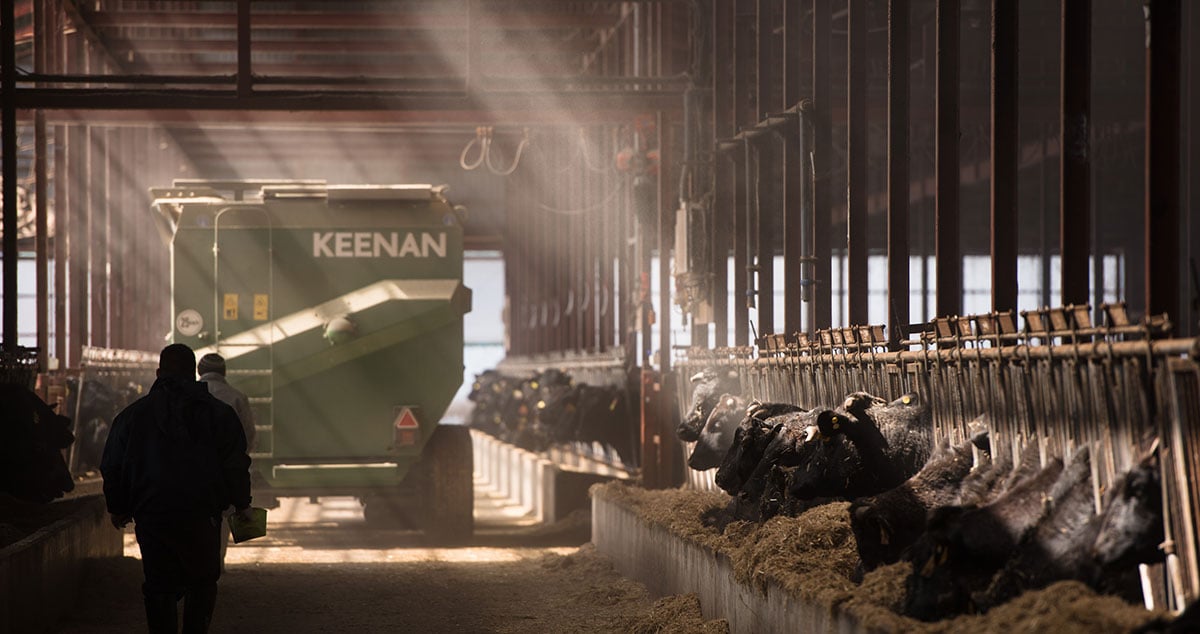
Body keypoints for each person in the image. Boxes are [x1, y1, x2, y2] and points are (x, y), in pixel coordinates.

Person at [101, 343, 253, 634]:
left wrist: (119, 507)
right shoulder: (219, 414)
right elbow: (235, 464)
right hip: (201, 515)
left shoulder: (132, 416)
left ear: (159, 373)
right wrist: (242, 504)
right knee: (202, 582)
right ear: (193, 375)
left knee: (159, 585)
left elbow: (112, 465)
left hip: (152, 514)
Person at [197, 353, 255, 452]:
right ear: (223, 372)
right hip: (228, 461)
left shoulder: (184, 396)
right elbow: (248, 434)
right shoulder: (238, 398)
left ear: (199, 371)